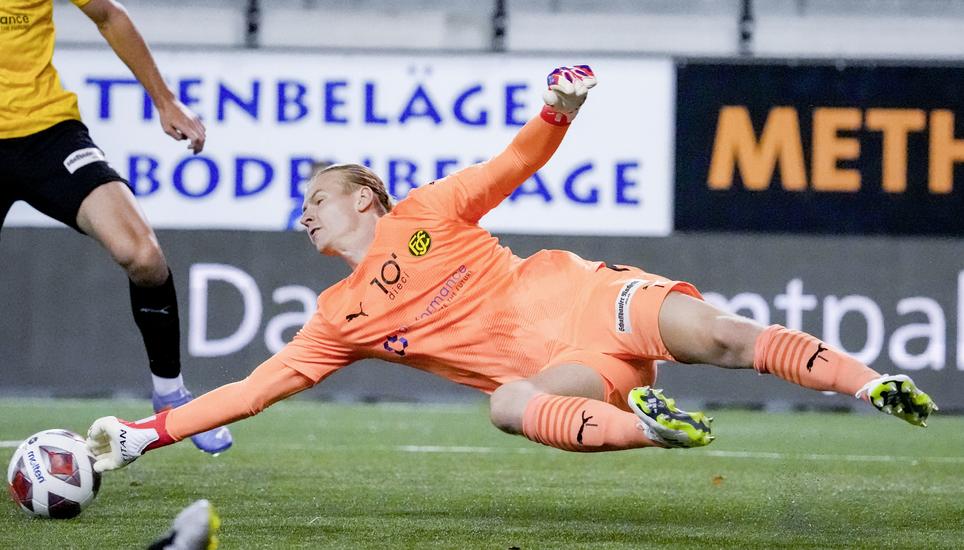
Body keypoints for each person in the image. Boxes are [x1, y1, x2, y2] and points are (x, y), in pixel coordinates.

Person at [86, 65, 937, 472]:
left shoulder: (424, 213)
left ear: (366, 199)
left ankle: (872, 384)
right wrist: (143, 436)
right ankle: (654, 425)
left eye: (318, 195)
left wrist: (556, 109)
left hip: (595, 301)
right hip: (572, 371)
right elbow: (248, 393)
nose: (305, 211)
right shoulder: (337, 320)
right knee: (507, 403)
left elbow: (512, 162)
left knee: (721, 333)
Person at [0, 0, 230, 453]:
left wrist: (165, 100)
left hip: (46, 133)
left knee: (142, 255)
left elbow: (109, 15)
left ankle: (171, 398)